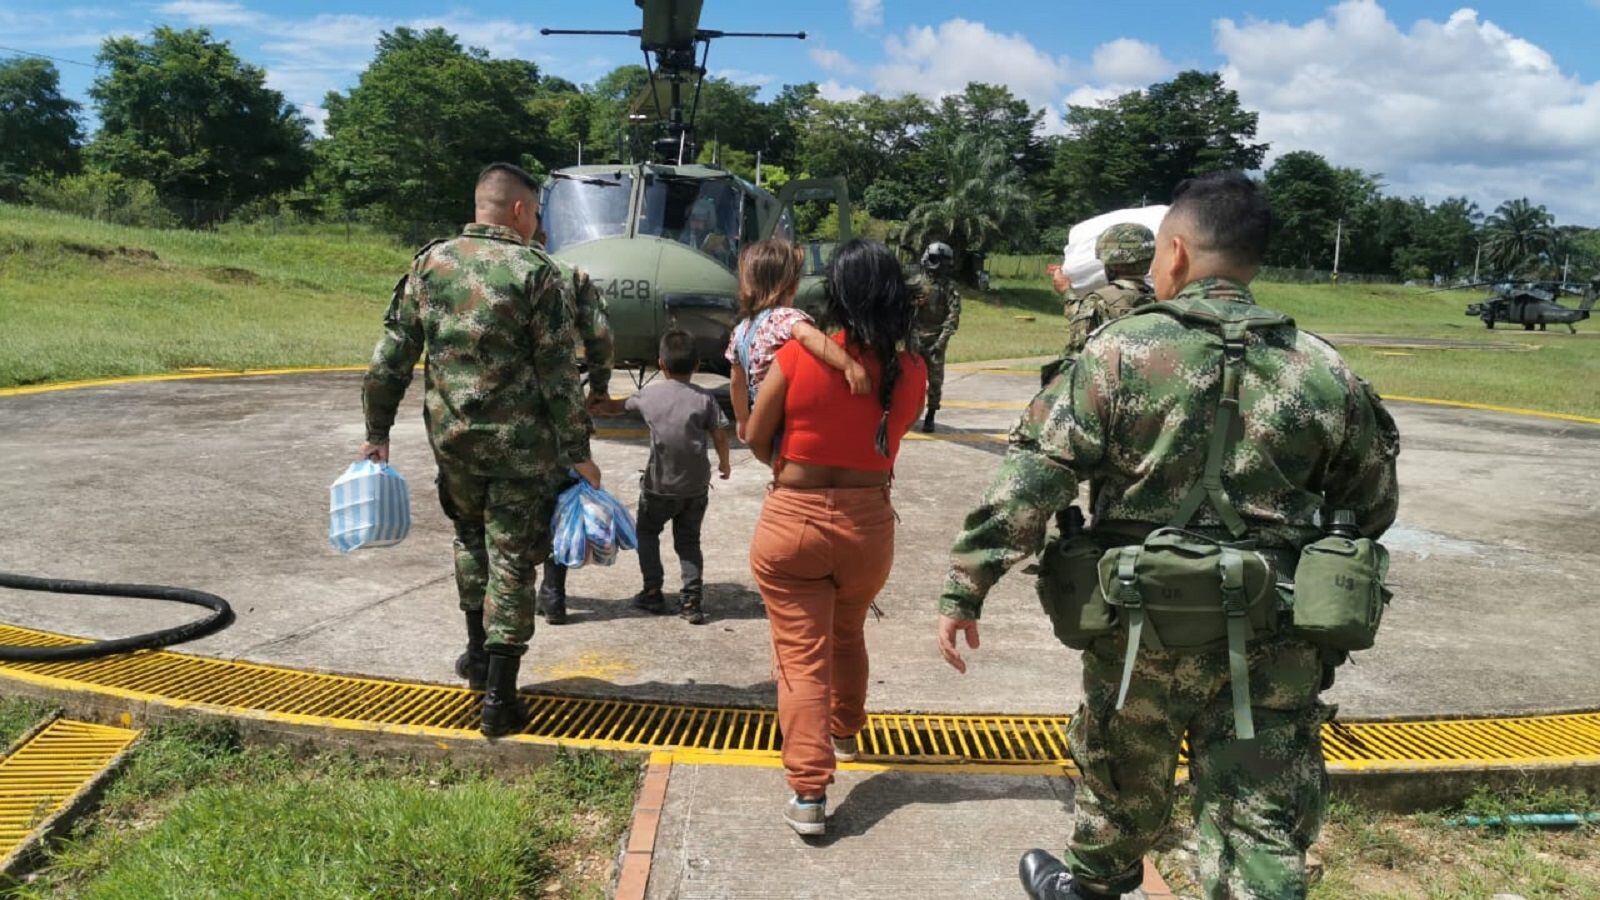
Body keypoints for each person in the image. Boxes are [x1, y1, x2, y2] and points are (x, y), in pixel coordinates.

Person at [935, 172, 1400, 899]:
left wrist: (968, 584)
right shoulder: (1326, 369)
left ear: (1176, 253)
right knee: (1261, 817)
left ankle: (1091, 886)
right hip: (1274, 634)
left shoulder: (1118, 353)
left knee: (1120, 771)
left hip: (1140, 630)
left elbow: (1036, 475)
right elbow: (1370, 508)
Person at [360, 162, 603, 738]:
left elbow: (389, 358)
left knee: (470, 540)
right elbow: (559, 373)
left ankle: (476, 659)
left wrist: (376, 433)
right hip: (521, 452)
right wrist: (579, 448)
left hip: (453, 446)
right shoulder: (535, 272)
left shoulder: (429, 263)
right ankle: (500, 697)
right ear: (520, 210)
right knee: (513, 560)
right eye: (537, 211)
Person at [745, 239, 928, 837]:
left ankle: (808, 793)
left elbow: (752, 436)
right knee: (846, 633)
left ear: (836, 296)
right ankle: (847, 732)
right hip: (867, 526)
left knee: (801, 658)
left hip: (792, 521)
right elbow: (890, 439)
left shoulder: (798, 359)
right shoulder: (913, 373)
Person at [595, 330, 732, 624]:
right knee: (688, 541)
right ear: (697, 365)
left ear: (661, 364)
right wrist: (725, 465)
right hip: (695, 488)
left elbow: (614, 408)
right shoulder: (705, 398)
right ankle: (691, 602)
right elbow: (720, 436)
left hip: (659, 486)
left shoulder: (648, 395)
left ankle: (653, 591)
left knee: (647, 533)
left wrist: (596, 400)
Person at [726, 239, 870, 442]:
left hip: (763, 418)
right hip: (790, 417)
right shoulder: (786, 317)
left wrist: (742, 419)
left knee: (780, 466)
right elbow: (806, 335)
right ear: (792, 286)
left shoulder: (740, 330)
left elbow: (736, 382)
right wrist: (849, 365)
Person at [537, 258, 616, 625]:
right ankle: (552, 594)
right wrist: (598, 387)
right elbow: (599, 335)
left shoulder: (451, 262)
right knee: (561, 497)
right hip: (555, 409)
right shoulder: (567, 274)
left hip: (482, 416)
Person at [1040, 224, 1158, 387]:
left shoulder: (1099, 300)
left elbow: (1076, 356)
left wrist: (1066, 291)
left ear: (1110, 262)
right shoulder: (1160, 300)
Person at [909, 241, 960, 433]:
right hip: (913, 338)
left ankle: (930, 415)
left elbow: (952, 317)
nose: (937, 265)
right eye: (934, 260)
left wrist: (941, 341)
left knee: (935, 379)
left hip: (935, 339)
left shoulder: (949, 288)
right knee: (906, 377)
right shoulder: (915, 283)